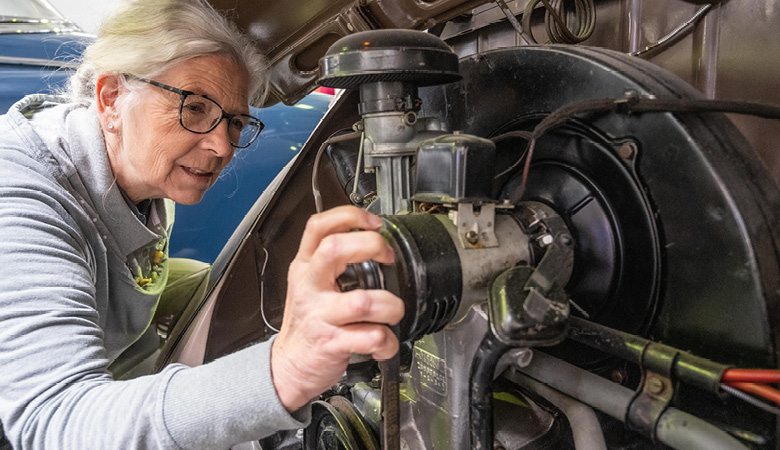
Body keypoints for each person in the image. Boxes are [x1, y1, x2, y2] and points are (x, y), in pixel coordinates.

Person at [0, 0, 404, 449]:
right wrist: (284, 371)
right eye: (194, 108)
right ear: (111, 98)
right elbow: (52, 423)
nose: (221, 146)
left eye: (234, 122)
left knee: (201, 283)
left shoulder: (136, 169)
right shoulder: (20, 197)